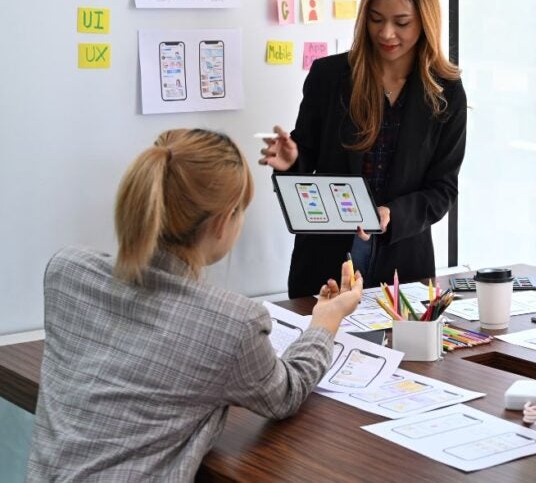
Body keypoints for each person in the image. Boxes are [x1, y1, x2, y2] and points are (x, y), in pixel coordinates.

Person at [27, 129, 363, 481]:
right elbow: (286, 394)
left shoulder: (66, 270)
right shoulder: (232, 322)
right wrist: (326, 322)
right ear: (222, 222)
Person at [260, 0, 466, 298]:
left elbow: (443, 189)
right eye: (376, 20)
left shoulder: (446, 92)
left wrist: (392, 215)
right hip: (325, 259)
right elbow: (304, 158)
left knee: (402, 350)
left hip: (403, 263)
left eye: (402, 22)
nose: (386, 33)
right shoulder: (329, 77)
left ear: (425, 22)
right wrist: (289, 161)